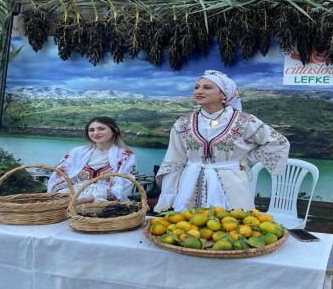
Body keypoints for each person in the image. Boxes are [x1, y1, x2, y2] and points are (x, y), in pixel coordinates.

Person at [153, 70, 290, 213]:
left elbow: (278, 142)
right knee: (190, 230)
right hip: (190, 185)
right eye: (196, 87)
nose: (199, 91)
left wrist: (242, 159)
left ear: (223, 94)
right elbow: (173, 160)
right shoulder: (184, 122)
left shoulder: (244, 121)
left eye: (207, 87)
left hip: (232, 185)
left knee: (234, 228)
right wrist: (169, 194)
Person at [47, 116, 138, 204]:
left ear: (114, 131)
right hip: (73, 197)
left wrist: (89, 199)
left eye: (101, 129)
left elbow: (124, 187)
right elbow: (60, 178)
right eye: (91, 130)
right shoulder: (76, 153)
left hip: (104, 202)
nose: (96, 133)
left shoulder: (125, 155)